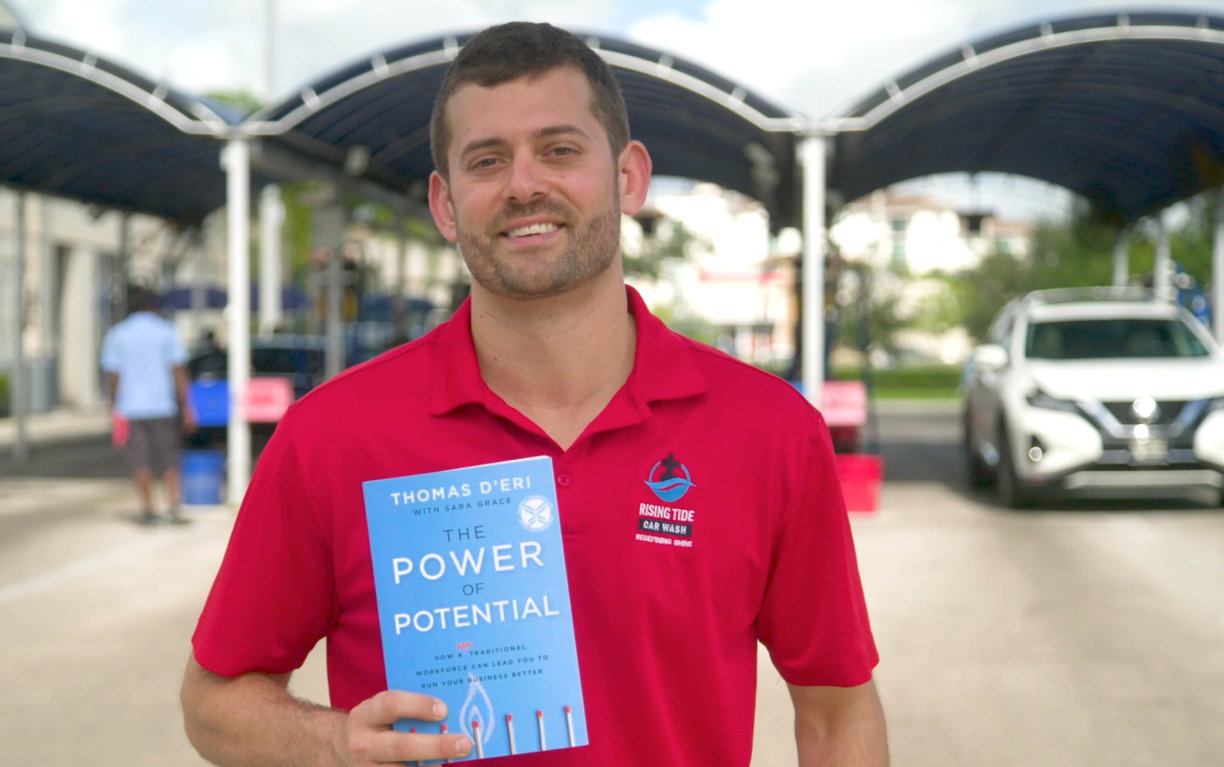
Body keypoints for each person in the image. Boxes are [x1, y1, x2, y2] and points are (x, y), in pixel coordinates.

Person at [181, 22, 886, 767]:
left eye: (559, 150)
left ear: (628, 177)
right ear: (446, 205)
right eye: (487, 161)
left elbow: (838, 713)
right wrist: (332, 742)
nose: (524, 186)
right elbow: (212, 698)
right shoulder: (332, 434)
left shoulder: (768, 431)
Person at [101, 285, 196, 524]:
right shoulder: (166, 331)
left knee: (139, 459)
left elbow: (113, 376)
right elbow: (178, 371)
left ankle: (148, 509)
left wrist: (113, 406)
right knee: (168, 457)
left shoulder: (117, 333)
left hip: (131, 407)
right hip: (161, 405)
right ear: (152, 305)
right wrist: (187, 407)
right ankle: (173, 507)